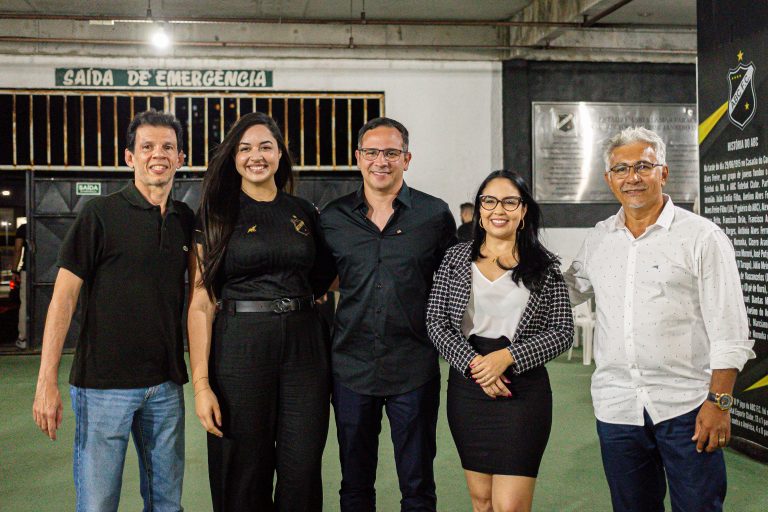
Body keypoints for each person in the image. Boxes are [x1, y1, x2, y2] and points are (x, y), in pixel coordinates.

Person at [565, 127, 755, 512]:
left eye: (643, 166)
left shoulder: (702, 237)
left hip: (686, 406)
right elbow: (565, 292)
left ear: (663, 172)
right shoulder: (599, 239)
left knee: (699, 506)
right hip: (617, 407)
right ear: (609, 179)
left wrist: (719, 402)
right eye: (621, 169)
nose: (632, 177)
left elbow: (730, 329)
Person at [32, 110, 193, 512]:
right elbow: (64, 299)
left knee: (167, 504)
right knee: (98, 503)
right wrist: (45, 380)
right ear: (129, 157)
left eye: (167, 147)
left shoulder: (185, 220)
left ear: (181, 158)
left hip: (166, 388)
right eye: (147, 147)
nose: (158, 155)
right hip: (103, 388)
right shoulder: (98, 214)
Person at [187, 111, 335, 512]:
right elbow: (201, 304)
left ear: (280, 154)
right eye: (246, 148)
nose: (257, 155)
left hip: (304, 351)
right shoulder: (215, 214)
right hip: (240, 347)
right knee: (243, 471)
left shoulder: (303, 211)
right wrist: (202, 385)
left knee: (302, 469)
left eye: (266, 146)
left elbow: (327, 278)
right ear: (234, 157)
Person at [319, 116, 456, 511]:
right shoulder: (333, 218)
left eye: (391, 153)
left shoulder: (434, 215)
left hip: (413, 367)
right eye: (373, 152)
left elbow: (455, 282)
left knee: (417, 483)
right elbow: (320, 282)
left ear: (407, 159)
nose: (382, 161)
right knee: (355, 482)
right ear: (358, 157)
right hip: (351, 368)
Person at [426, 170, 573, 512]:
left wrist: (508, 357)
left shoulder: (545, 266)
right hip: (469, 385)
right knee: (482, 502)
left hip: (522, 391)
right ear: (479, 210)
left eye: (510, 202)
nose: (499, 210)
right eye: (489, 201)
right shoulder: (455, 260)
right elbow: (436, 322)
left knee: (509, 507)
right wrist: (476, 366)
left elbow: (562, 330)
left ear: (523, 211)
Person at [12, 222, 28, 349]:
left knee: (25, 304)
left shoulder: (23, 228)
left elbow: (17, 249)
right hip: (47, 270)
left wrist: (14, 271)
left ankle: (23, 338)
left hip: (27, 271)